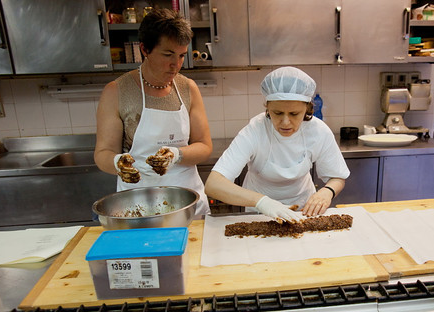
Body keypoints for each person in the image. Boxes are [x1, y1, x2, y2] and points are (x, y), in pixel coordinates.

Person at [95, 8, 212, 215]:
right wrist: (117, 163)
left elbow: (204, 146)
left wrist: (177, 154)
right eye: (168, 54)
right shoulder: (117, 91)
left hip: (188, 203)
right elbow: (103, 153)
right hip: (138, 206)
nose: (175, 65)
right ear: (145, 49)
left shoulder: (188, 88)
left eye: (182, 55)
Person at [204, 67, 350, 222]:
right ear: (267, 107)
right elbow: (213, 184)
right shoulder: (255, 130)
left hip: (303, 212)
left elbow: (337, 177)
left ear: (307, 108)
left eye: (294, 114)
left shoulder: (318, 131)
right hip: (260, 214)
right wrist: (263, 202)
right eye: (277, 113)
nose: (285, 122)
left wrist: (327, 192)